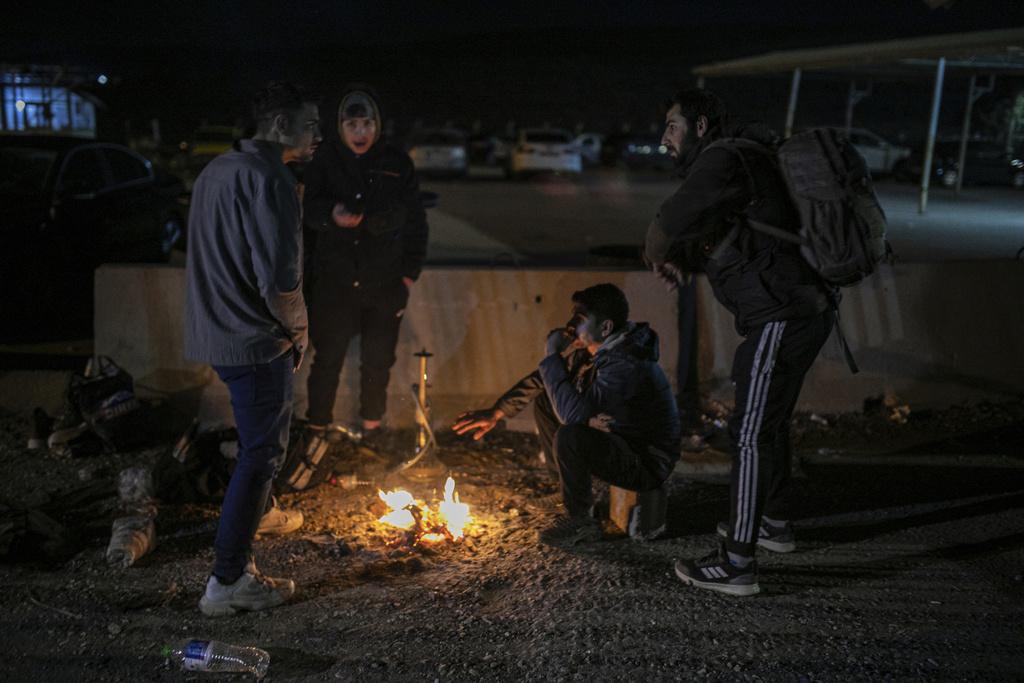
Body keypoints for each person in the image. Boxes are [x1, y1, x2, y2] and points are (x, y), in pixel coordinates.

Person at [644, 88, 833, 596]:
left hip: (781, 315)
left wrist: (657, 251)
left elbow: (671, 219)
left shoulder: (722, 157)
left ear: (702, 126)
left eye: (672, 126)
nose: (664, 138)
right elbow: (736, 234)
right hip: (798, 310)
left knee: (749, 432)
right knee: (767, 424)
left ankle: (737, 564)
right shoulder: (743, 159)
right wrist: (685, 259)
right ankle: (771, 522)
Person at [184, 82, 321, 616]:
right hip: (255, 338)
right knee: (262, 451)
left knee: (255, 447)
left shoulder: (216, 170)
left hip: (217, 330)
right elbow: (281, 279)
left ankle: (258, 511)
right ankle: (228, 580)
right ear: (280, 126)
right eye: (310, 125)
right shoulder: (271, 179)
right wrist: (298, 334)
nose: (317, 137)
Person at [302, 84, 428, 447]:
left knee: (377, 362)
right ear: (340, 128)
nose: (361, 133)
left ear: (377, 126)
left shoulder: (396, 163)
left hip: (384, 284)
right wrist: (331, 216)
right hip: (334, 283)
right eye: (352, 125)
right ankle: (317, 431)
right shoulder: (324, 162)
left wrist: (408, 275)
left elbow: (416, 221)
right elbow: (307, 215)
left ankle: (372, 431)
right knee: (326, 360)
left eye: (367, 124)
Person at [531, 284, 680, 545]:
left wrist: (551, 354)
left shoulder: (625, 362)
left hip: (647, 460)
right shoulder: (612, 350)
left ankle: (580, 522)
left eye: (579, 320)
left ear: (606, 328)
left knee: (571, 436)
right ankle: (566, 488)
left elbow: (571, 415)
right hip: (625, 439)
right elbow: (576, 404)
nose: (570, 326)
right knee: (546, 402)